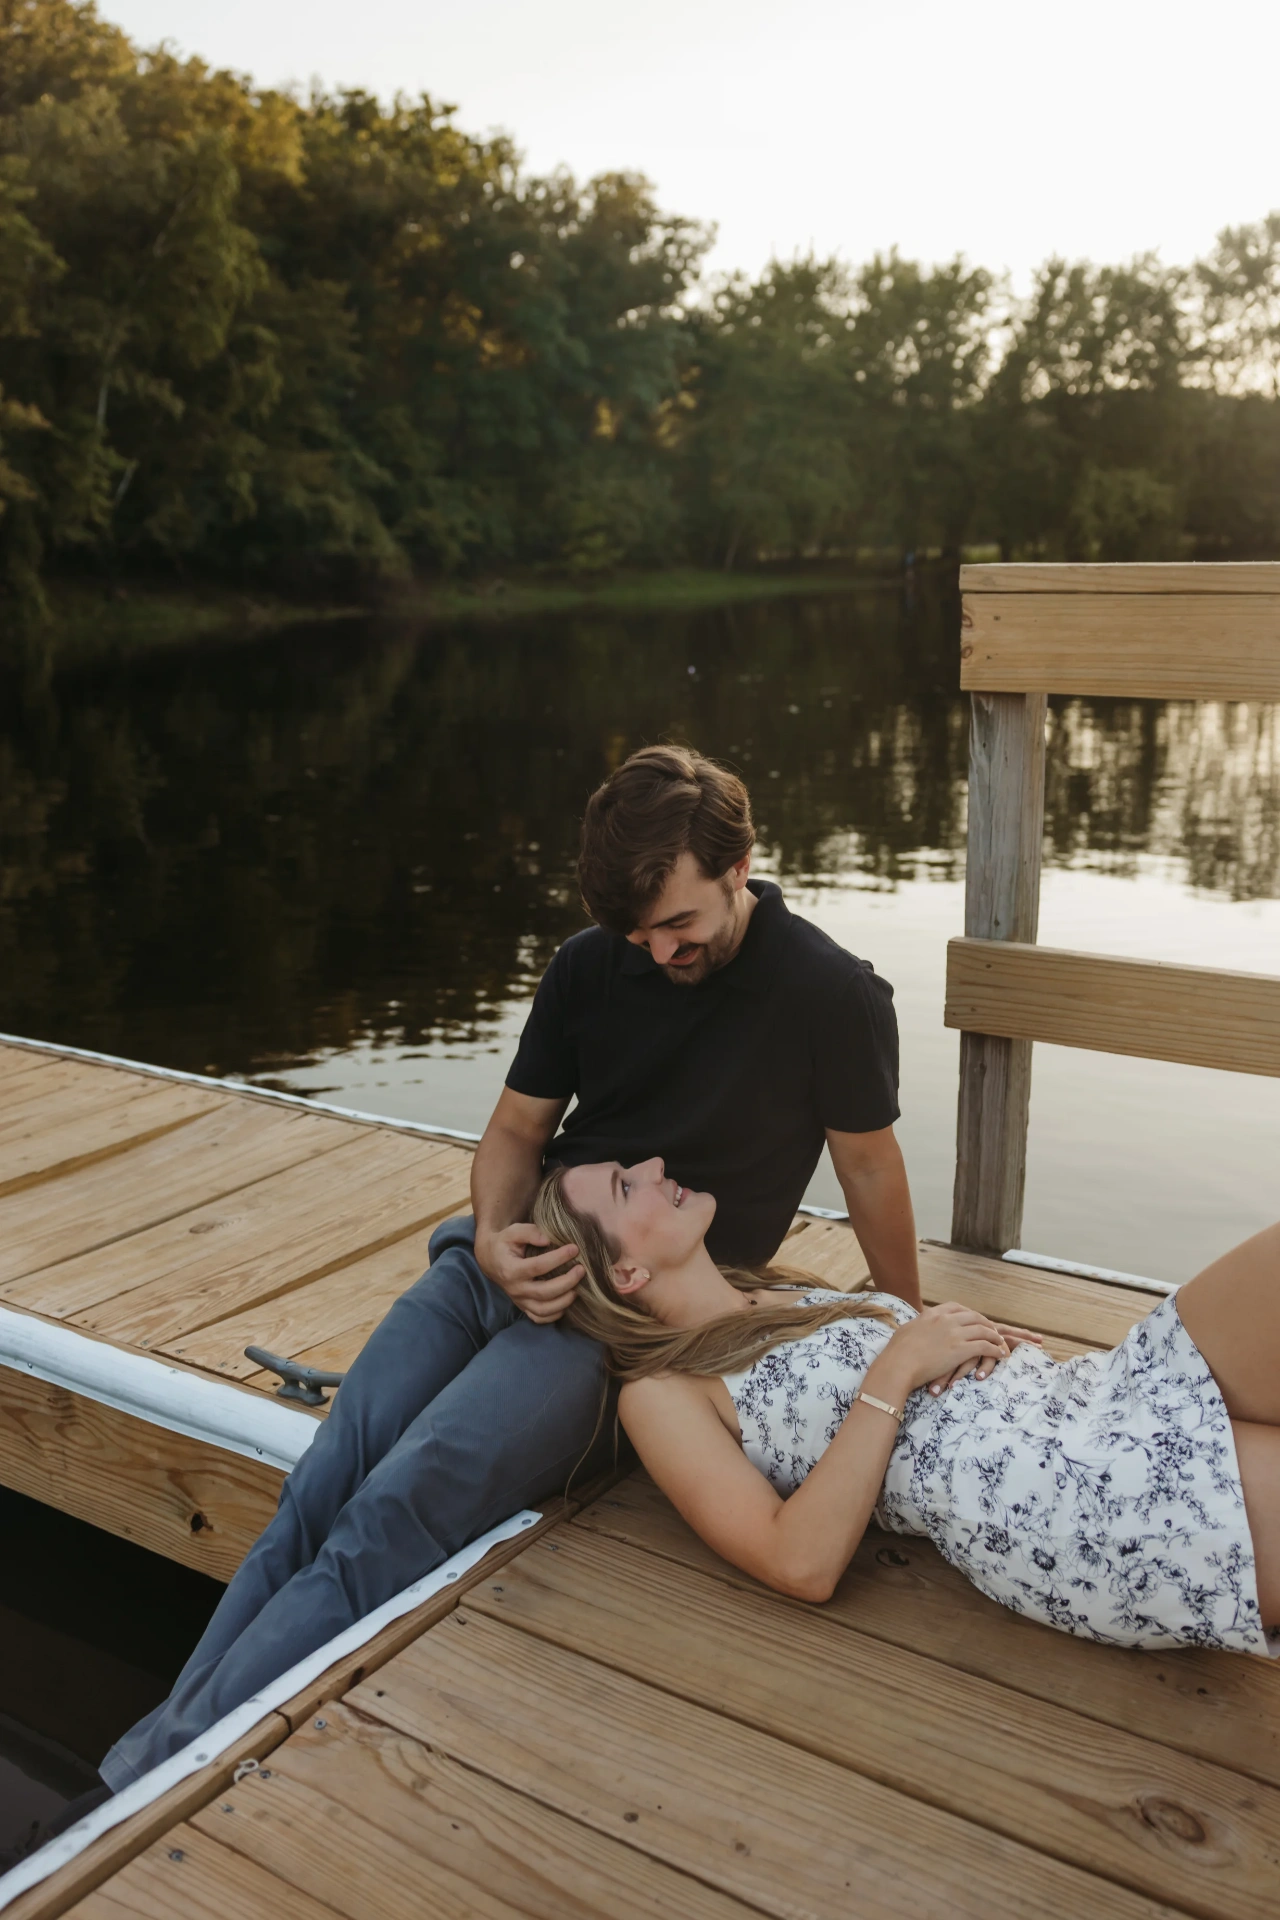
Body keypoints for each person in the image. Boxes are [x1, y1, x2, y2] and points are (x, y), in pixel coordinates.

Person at [90, 745, 916, 1796]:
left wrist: (906, 1323)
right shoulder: (587, 965)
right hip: (508, 1258)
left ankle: (145, 1776)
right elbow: (516, 1133)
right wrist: (488, 1236)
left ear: (740, 863)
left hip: (621, 1320)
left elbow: (869, 1170)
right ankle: (156, 1756)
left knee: (399, 1506)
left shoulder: (828, 993)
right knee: (327, 1476)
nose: (657, 951)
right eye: (637, 933)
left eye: (679, 926)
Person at [534, 1156, 1280, 1655]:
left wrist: (963, 1339)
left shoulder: (775, 1288)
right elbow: (798, 1564)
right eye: (626, 1186)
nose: (655, 1166)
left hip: (1082, 1395)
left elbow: (909, 1364)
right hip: (1064, 1494)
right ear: (626, 1271)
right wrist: (895, 1370)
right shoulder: (663, 1393)